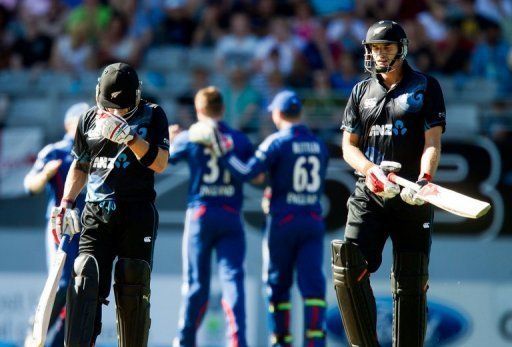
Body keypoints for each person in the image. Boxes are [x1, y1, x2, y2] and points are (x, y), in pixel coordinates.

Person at [331, 20, 446, 347]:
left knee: (411, 281)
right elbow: (348, 146)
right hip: (370, 194)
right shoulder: (360, 91)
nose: (379, 54)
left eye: (386, 47)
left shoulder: (425, 86)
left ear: (402, 48)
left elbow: (432, 143)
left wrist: (423, 181)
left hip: (412, 197)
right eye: (373, 48)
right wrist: (371, 170)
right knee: (347, 266)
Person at [51, 62, 169, 346]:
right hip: (96, 212)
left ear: (137, 97)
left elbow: (161, 163)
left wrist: (130, 138)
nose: (116, 113)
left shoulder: (152, 115)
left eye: (123, 108)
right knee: (84, 280)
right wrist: (66, 202)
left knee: (133, 284)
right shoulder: (87, 119)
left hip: (136, 211)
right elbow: (80, 166)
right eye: (110, 107)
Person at [210, 90, 329, 347]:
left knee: (277, 283)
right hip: (312, 220)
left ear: (278, 113)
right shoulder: (318, 143)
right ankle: (315, 341)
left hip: (282, 221)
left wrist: (223, 153)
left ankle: (281, 341)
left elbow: (246, 172)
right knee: (313, 285)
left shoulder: (276, 142)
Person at [169, 86, 256, 347]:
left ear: (199, 110)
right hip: (231, 214)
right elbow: (256, 174)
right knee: (233, 280)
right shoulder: (238, 138)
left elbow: (166, 160)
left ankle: (185, 341)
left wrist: (172, 139)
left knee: (196, 283)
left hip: (201, 213)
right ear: (223, 109)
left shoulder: (190, 137)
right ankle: (238, 340)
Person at [23, 102, 90, 347]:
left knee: (83, 289)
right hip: (63, 226)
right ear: (69, 124)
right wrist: (44, 176)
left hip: (90, 228)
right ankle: (36, 334)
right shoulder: (56, 151)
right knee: (62, 281)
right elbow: (30, 184)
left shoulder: (98, 150)